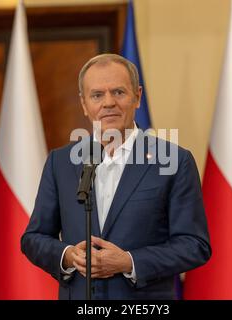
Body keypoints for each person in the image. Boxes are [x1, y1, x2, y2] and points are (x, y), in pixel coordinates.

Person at [21, 53, 211, 300]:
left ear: (137, 97)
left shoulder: (173, 161)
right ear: (84, 104)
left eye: (119, 92)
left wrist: (128, 262)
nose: (108, 102)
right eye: (97, 95)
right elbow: (33, 238)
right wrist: (67, 255)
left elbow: (195, 245)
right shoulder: (61, 162)